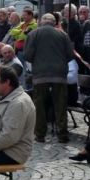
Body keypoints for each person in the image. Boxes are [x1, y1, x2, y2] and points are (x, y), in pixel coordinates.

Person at [24, 13, 74, 143]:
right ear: (54, 22)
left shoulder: (33, 34)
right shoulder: (63, 35)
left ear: (41, 21)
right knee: (60, 105)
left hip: (40, 75)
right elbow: (70, 54)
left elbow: (28, 55)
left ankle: (40, 135)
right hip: (59, 74)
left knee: (39, 105)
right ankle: (62, 134)